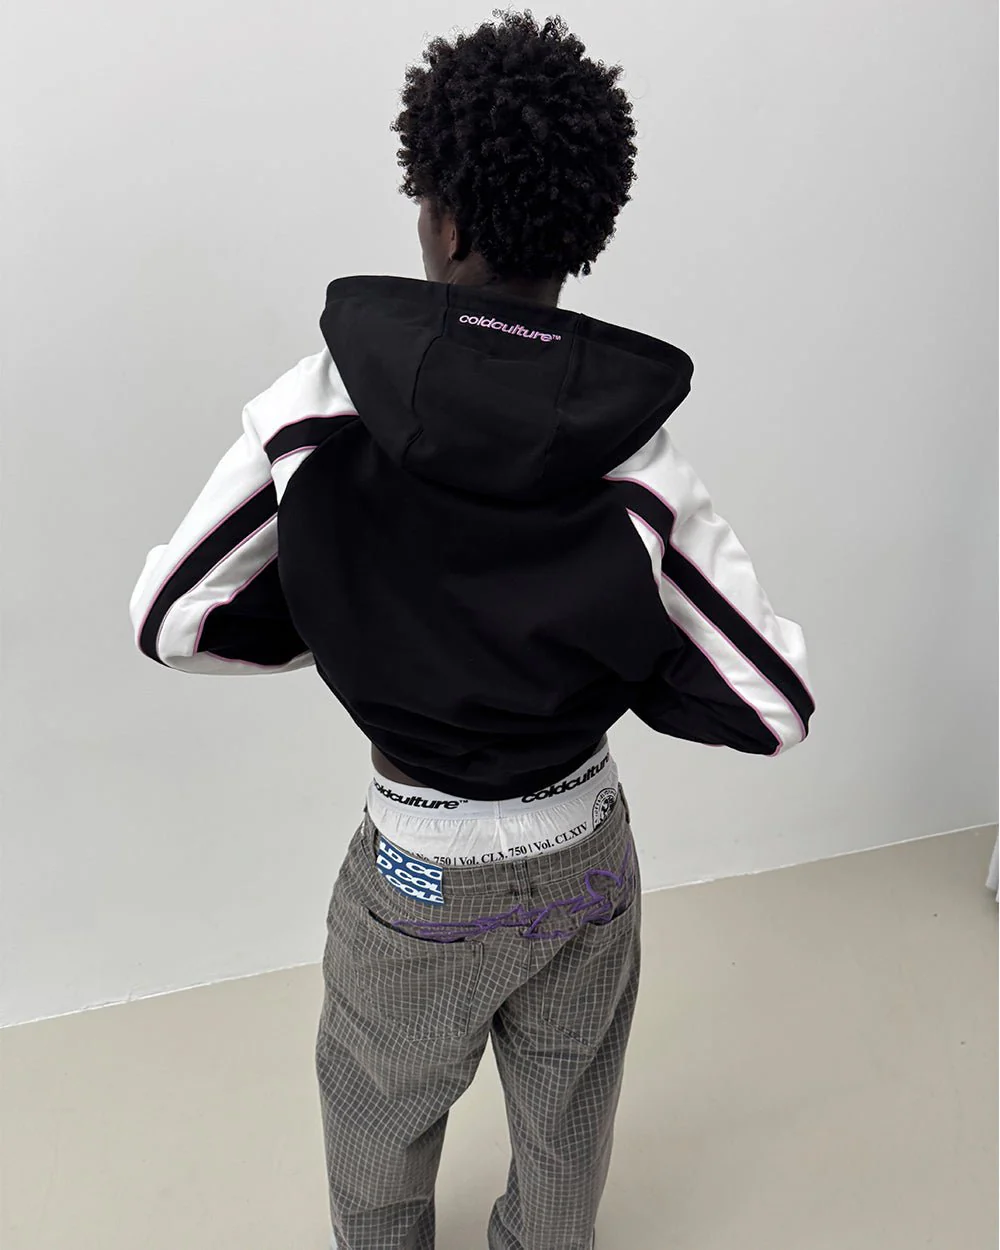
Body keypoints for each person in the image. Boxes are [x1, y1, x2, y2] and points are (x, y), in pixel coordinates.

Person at [129, 11, 815, 1250]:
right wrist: (605, 651)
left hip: (415, 866)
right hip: (585, 849)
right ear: (582, 233)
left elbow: (173, 618)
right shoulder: (639, 463)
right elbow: (771, 704)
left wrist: (342, 624)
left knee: (375, 1124)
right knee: (565, 1136)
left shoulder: (313, 408)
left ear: (439, 220)